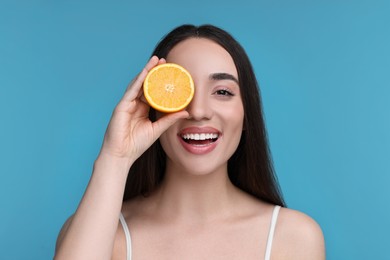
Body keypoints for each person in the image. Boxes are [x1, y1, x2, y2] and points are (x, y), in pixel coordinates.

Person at [55, 24, 325, 260]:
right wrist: (116, 157)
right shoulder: (100, 234)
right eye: (181, 92)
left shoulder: (293, 236)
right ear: (153, 107)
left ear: (247, 112)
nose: (198, 111)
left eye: (222, 91)